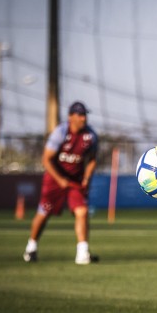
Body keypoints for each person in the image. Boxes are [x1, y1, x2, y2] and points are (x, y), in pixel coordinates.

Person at [23, 101, 100, 265]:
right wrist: (60, 180)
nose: (83, 118)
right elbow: (46, 159)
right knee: (44, 213)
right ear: (70, 117)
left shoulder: (91, 135)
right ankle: (31, 247)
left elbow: (92, 159)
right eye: (79, 115)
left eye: (85, 114)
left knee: (82, 211)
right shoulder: (60, 132)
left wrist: (87, 177)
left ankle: (82, 253)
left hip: (75, 181)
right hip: (54, 179)